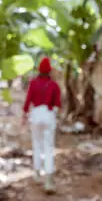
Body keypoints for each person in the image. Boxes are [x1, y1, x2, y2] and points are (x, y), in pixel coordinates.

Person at [22, 57, 61, 194]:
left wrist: (25, 115)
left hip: (36, 114)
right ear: (50, 71)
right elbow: (57, 104)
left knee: (37, 145)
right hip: (48, 114)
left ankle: (37, 173)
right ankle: (48, 180)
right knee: (48, 147)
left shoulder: (33, 83)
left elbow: (28, 101)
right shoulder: (54, 85)